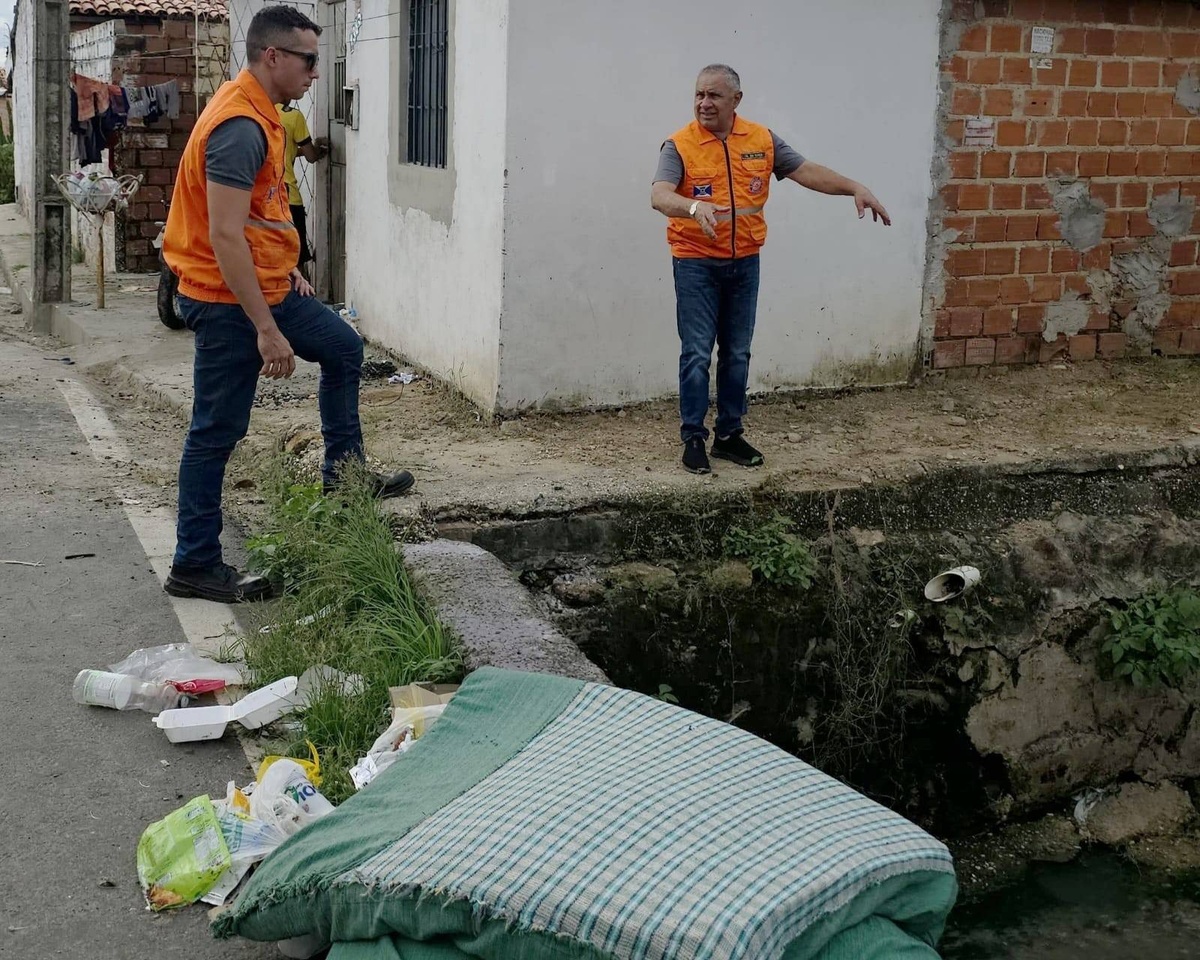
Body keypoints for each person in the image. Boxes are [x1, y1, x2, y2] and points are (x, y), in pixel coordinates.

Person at [161, 5, 413, 604]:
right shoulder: (239, 126)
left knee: (344, 347)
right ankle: (194, 563)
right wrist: (265, 329)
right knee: (217, 430)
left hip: (268, 283)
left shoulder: (264, 112)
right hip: (228, 300)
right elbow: (223, 236)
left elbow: (260, 212)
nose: (316, 74)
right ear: (272, 56)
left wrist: (288, 264)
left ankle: (342, 480)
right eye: (308, 61)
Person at [651, 64, 891, 475]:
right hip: (695, 264)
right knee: (696, 354)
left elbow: (805, 171)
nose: (704, 104)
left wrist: (855, 187)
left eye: (714, 96)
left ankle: (729, 435)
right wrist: (693, 206)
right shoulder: (679, 145)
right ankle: (693, 437)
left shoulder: (761, 140)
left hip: (745, 263)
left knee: (737, 353)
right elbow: (659, 195)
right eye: (699, 95)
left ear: (736, 101)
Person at [277, 100, 328, 274]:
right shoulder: (293, 116)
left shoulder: (259, 110)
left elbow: (285, 149)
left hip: (264, 196)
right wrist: (320, 149)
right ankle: (299, 295)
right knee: (296, 255)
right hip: (288, 195)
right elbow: (311, 157)